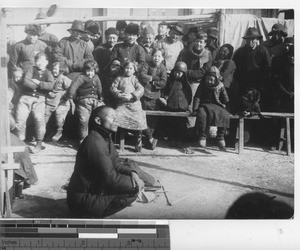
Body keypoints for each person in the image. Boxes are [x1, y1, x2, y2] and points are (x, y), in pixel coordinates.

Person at [67, 106, 156, 218]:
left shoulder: (104, 138)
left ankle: (120, 198)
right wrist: (135, 183)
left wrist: (133, 173)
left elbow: (116, 163)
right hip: (83, 201)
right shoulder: (95, 143)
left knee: (132, 179)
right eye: (113, 118)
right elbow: (110, 179)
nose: (116, 121)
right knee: (132, 188)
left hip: (92, 192)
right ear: (98, 121)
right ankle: (95, 211)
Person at [14, 52, 55, 153]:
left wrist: (38, 82)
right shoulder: (31, 69)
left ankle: (39, 143)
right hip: (25, 98)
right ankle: (21, 143)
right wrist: (40, 86)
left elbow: (50, 86)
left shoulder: (48, 73)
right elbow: (26, 82)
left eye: (42, 61)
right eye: (38, 61)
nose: (40, 63)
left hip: (39, 99)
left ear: (47, 62)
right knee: (20, 119)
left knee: (39, 119)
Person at [177, 31, 212, 131]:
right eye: (197, 41)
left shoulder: (207, 55)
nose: (199, 44)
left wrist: (187, 72)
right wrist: (186, 73)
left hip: (197, 83)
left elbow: (203, 71)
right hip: (184, 81)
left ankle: (191, 131)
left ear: (205, 44)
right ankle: (182, 130)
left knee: (193, 107)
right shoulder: (185, 52)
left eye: (201, 42)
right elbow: (179, 65)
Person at [110, 61, 148, 152]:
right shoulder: (119, 79)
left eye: (131, 68)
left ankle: (138, 139)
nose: (128, 70)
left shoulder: (135, 79)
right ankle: (116, 141)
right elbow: (112, 88)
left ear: (134, 70)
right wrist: (119, 94)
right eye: (127, 68)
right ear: (123, 68)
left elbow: (141, 89)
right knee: (116, 115)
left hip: (134, 105)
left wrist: (132, 95)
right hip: (122, 104)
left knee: (139, 118)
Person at [66, 59, 104, 145]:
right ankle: (82, 140)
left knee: (102, 116)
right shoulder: (81, 77)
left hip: (95, 101)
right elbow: (74, 87)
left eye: (92, 71)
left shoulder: (96, 77)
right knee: (83, 120)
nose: (90, 73)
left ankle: (98, 139)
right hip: (83, 102)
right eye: (88, 71)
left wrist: (101, 96)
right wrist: (71, 97)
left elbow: (99, 88)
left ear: (95, 71)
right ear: (84, 70)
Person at [232, 27, 271, 110]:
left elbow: (267, 67)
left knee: (257, 106)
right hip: (244, 84)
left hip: (258, 84)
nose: (250, 41)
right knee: (244, 106)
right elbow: (235, 67)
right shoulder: (240, 52)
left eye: (253, 39)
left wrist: (263, 82)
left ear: (257, 39)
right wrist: (239, 80)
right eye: (248, 39)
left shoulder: (262, 50)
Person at [192, 66, 230, 150]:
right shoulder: (202, 85)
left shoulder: (220, 86)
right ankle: (202, 136)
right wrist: (195, 109)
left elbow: (226, 99)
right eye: (207, 79)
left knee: (224, 115)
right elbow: (197, 97)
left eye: (212, 79)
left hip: (217, 105)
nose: (209, 81)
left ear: (216, 79)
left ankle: (220, 136)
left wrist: (228, 108)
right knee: (202, 114)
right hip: (205, 105)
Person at [139, 48, 167, 149]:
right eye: (155, 56)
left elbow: (163, 82)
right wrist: (153, 78)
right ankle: (148, 139)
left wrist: (153, 82)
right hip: (145, 95)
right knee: (144, 117)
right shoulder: (147, 65)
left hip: (155, 96)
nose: (157, 58)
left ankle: (148, 140)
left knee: (153, 120)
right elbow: (142, 75)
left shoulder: (162, 68)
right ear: (152, 56)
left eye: (159, 56)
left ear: (162, 58)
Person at [159, 61, 192, 145]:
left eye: (180, 73)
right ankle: (171, 138)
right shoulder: (169, 81)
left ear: (183, 74)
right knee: (170, 123)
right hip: (170, 106)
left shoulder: (185, 84)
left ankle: (180, 139)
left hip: (181, 107)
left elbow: (189, 94)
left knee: (181, 124)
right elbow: (163, 91)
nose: (177, 74)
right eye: (176, 72)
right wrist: (163, 98)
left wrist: (187, 104)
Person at [44, 62, 72, 142]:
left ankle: (59, 131)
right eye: (53, 69)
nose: (53, 70)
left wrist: (62, 95)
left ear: (61, 70)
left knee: (59, 113)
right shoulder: (50, 77)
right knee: (45, 114)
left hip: (62, 100)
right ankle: (41, 132)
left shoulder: (64, 79)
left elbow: (70, 89)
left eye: (56, 69)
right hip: (51, 99)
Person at [212, 43, 236, 111]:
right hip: (216, 87)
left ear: (229, 53)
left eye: (225, 52)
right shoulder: (217, 62)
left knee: (223, 107)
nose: (222, 53)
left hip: (225, 88)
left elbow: (223, 75)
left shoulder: (230, 62)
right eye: (221, 51)